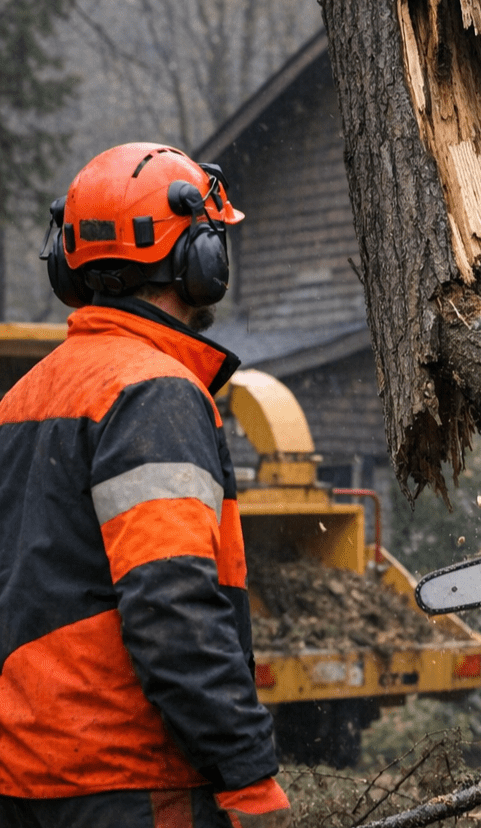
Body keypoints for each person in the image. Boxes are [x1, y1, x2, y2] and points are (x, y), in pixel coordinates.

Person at [0, 143, 291, 828]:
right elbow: (171, 608)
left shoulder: (20, 399)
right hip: (128, 783)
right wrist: (248, 776)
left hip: (23, 778)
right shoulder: (153, 392)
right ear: (199, 259)